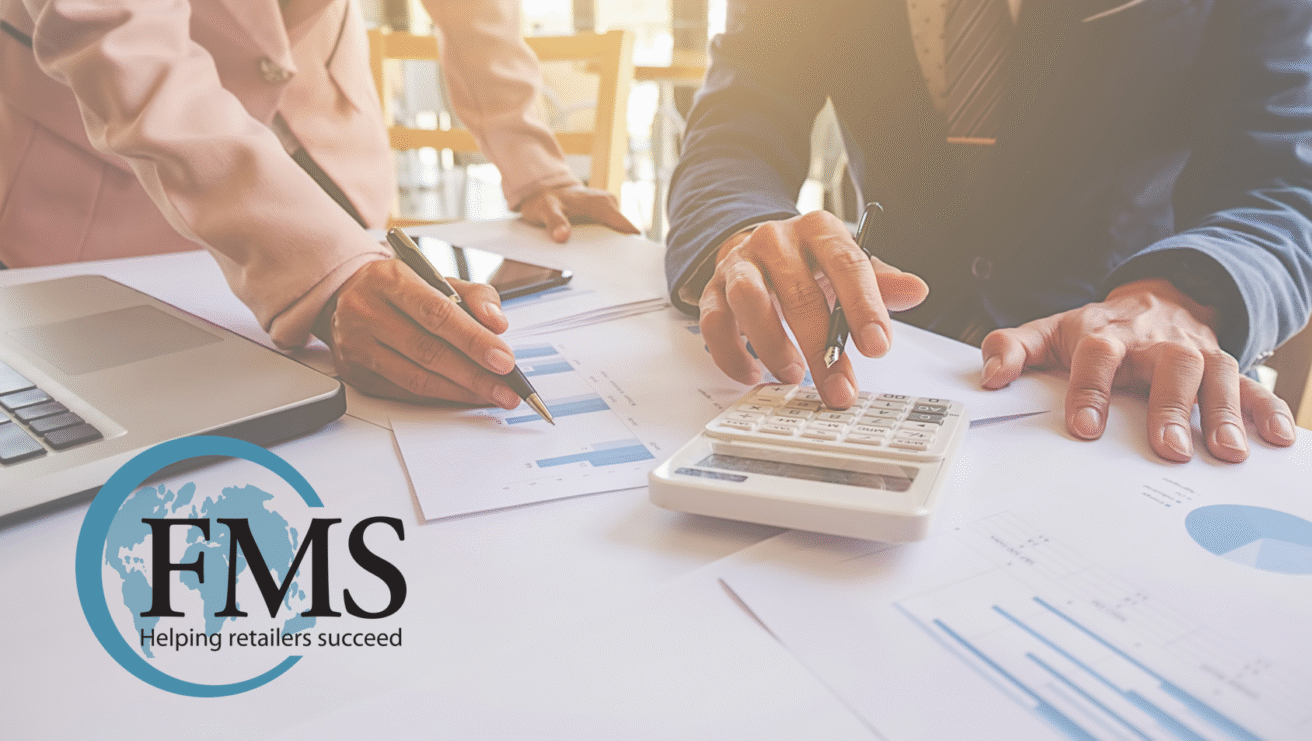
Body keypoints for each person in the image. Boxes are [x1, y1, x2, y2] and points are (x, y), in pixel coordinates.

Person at [666, 0, 1312, 463]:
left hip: (1125, 378)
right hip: (882, 368)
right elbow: (736, 128)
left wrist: (1181, 293)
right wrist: (744, 229)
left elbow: (1284, 178)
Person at [0, 0, 637, 406]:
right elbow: (118, 35)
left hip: (329, 140)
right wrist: (325, 273)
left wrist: (535, 169)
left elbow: (474, 12)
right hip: (97, 192)